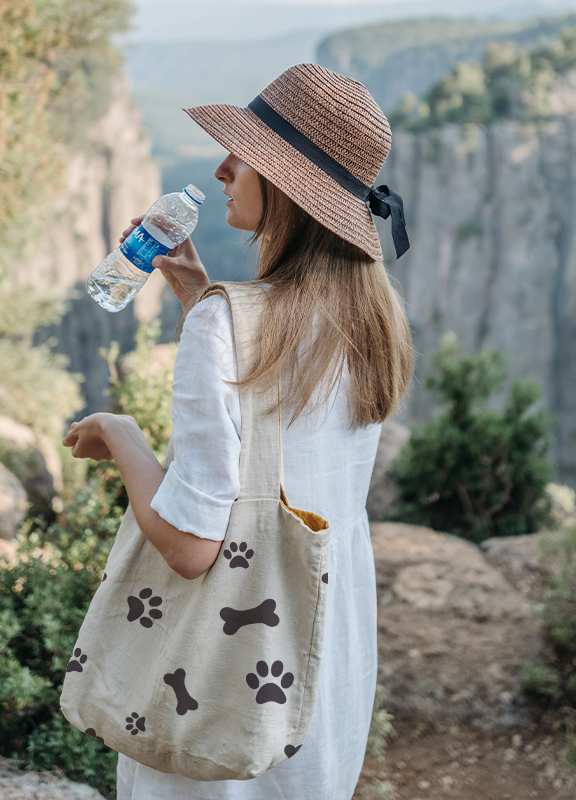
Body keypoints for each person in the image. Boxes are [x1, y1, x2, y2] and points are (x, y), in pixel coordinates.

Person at [63, 62, 414, 800]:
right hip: (324, 667)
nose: (222, 166)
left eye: (243, 153)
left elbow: (191, 546)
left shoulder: (228, 324)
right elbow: (282, 429)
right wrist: (197, 295)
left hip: (217, 687)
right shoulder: (373, 323)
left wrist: (121, 435)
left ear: (286, 183)